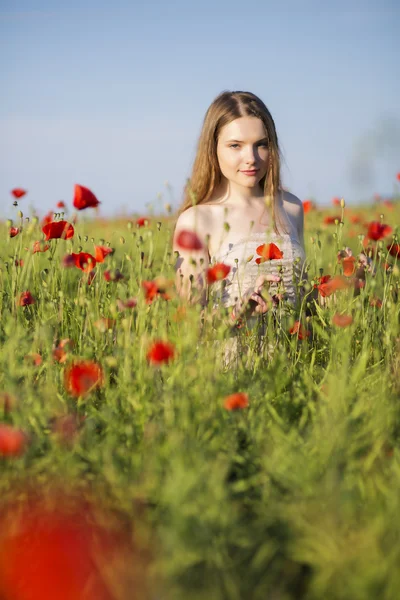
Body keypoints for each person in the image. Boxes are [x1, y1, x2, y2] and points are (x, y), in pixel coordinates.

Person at [172, 90, 307, 367]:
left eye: (261, 144)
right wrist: (238, 312)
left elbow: (304, 301)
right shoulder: (197, 220)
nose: (251, 158)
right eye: (235, 145)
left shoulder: (291, 207)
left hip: (295, 369)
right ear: (213, 148)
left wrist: (351, 286)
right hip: (231, 375)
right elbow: (187, 326)